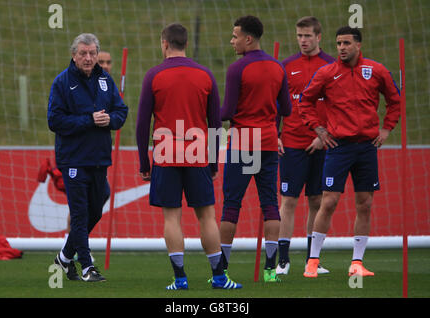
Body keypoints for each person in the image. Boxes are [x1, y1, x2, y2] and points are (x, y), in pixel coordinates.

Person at [136, 23, 242, 290]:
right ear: (185, 44)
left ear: (164, 43)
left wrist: (143, 162)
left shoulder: (154, 75)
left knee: (172, 217)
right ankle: (219, 277)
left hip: (165, 153)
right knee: (206, 216)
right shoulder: (205, 75)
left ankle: (180, 279)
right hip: (198, 154)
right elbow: (216, 123)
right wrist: (214, 162)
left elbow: (142, 123)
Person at [299, 26, 401, 278]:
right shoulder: (327, 73)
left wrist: (387, 128)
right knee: (329, 202)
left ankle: (357, 263)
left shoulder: (376, 71)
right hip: (338, 147)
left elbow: (395, 101)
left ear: (358, 45)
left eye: (346, 43)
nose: (341, 48)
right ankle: (312, 260)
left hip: (367, 148)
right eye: (338, 44)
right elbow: (305, 101)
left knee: (364, 203)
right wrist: (319, 129)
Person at [48, 33, 128, 282]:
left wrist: (110, 120)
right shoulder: (62, 82)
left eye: (92, 53)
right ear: (74, 55)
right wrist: (89, 119)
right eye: (83, 53)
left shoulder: (105, 79)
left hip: (99, 157)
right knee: (80, 213)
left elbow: (121, 110)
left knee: (98, 204)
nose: (88, 58)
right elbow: (55, 121)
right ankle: (86, 267)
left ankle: (63, 257)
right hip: (74, 159)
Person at [219, 16, 292, 283]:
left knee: (231, 206)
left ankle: (221, 270)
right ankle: (271, 270)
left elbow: (226, 112)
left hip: (242, 144)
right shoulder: (278, 67)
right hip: (269, 143)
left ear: (248, 39)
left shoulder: (237, 69)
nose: (232, 40)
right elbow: (286, 109)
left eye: (234, 35)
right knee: (270, 204)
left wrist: (205, 112)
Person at [276, 16, 335, 276]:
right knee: (288, 200)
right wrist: (275, 133)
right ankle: (282, 260)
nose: (303, 40)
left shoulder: (333, 66)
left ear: (318, 37)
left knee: (316, 200)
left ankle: (313, 261)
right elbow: (276, 104)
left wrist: (323, 135)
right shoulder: (286, 65)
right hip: (291, 142)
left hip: (321, 143)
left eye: (308, 36)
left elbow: (338, 106)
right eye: (300, 36)